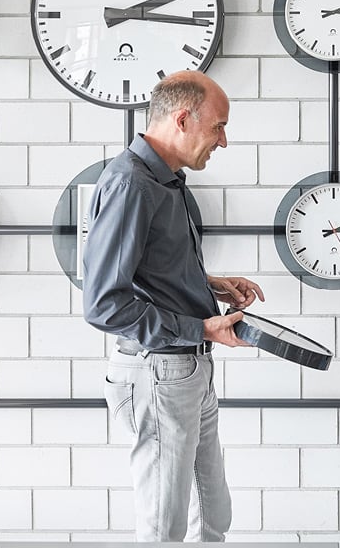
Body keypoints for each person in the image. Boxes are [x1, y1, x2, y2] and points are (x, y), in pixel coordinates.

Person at [82, 70, 265, 542]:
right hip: (158, 371)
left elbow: (148, 270)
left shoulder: (165, 180)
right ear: (183, 119)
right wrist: (201, 329)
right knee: (164, 526)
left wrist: (209, 284)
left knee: (212, 516)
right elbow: (104, 304)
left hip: (185, 371)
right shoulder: (130, 184)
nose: (222, 142)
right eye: (218, 127)